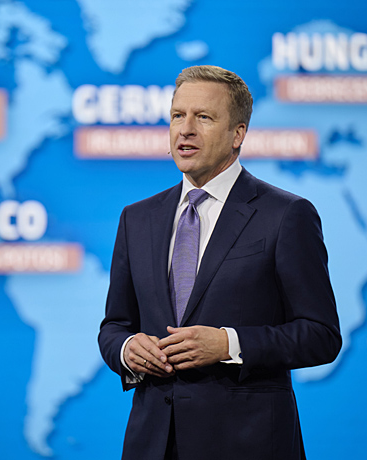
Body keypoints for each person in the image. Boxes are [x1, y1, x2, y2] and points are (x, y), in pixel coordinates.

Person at [98, 65, 341, 460]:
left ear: (237, 134)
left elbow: (320, 335)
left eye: (204, 117)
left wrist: (228, 344)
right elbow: (114, 325)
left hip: (247, 444)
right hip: (153, 443)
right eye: (178, 115)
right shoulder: (137, 219)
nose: (185, 130)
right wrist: (127, 349)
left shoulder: (285, 215)